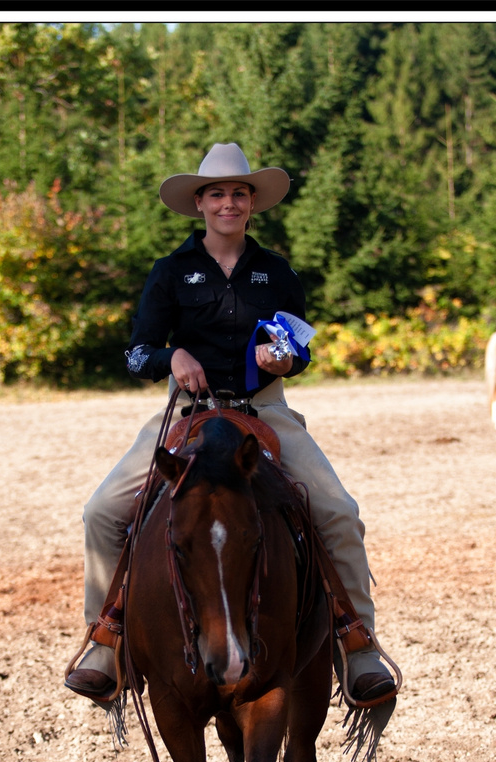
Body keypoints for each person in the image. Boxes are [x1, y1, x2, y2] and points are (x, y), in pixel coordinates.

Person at [65, 142, 395, 705]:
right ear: (199, 203)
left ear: (252, 202)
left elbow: (299, 346)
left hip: (263, 411)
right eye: (217, 193)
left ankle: (357, 643)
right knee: (101, 511)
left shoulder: (277, 272)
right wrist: (171, 356)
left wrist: (284, 359)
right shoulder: (170, 272)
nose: (228, 203)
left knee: (339, 512)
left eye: (239, 193)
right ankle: (107, 638)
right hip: (187, 415)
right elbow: (137, 352)